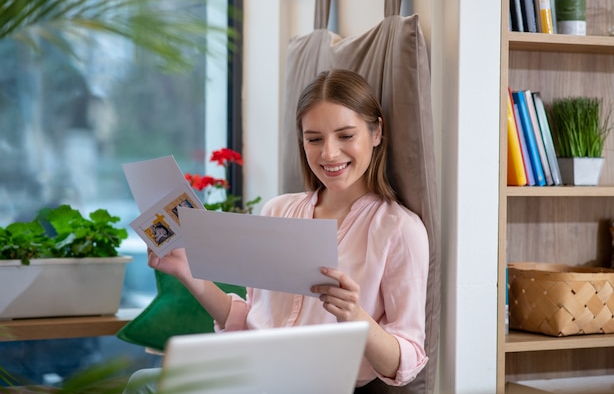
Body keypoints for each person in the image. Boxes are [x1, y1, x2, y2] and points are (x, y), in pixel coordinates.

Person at [124, 68, 429, 392]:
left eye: (346, 135)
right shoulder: (279, 210)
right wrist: (187, 270)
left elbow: (407, 360)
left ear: (377, 132)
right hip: (251, 374)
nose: (329, 153)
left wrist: (355, 316)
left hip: (317, 385)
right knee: (143, 381)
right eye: (314, 139)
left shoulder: (398, 230)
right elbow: (248, 320)